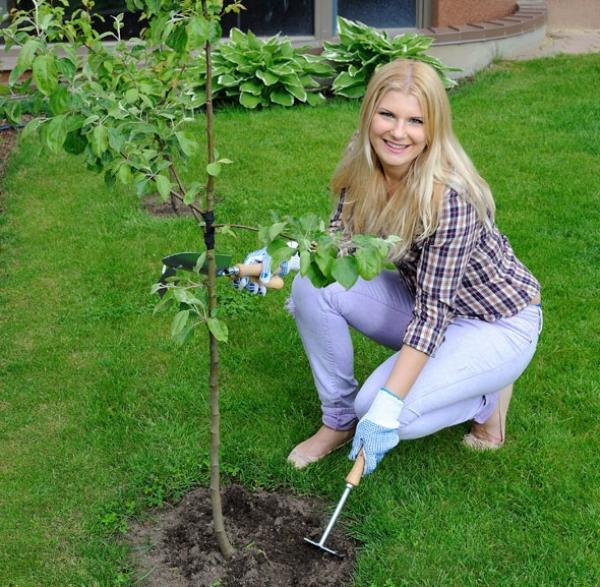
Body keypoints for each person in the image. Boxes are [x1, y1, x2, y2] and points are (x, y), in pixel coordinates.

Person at [236, 59, 542, 476]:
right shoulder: (362, 159)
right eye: (388, 115)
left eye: (415, 120)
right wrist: (286, 254)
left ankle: (487, 396)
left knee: (378, 408)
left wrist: (386, 407)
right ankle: (338, 422)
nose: (398, 133)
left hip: (495, 321)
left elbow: (433, 316)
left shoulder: (450, 198)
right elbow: (339, 239)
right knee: (314, 284)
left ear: (433, 128)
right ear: (369, 114)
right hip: (425, 302)